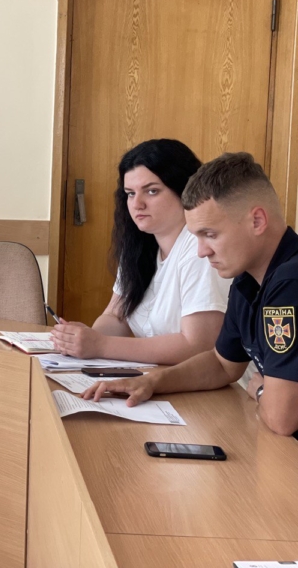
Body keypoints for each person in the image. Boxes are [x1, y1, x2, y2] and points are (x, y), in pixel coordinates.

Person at [83, 152, 298, 436]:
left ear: (257, 221)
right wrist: (152, 382)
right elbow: (222, 364)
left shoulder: (289, 282)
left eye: (211, 235)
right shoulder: (246, 279)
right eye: (196, 236)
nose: (201, 251)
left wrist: (260, 391)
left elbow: (283, 419)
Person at [51, 139, 231, 365]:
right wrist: (82, 340)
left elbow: (197, 345)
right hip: (159, 375)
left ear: (185, 191)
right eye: (130, 193)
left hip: (212, 383)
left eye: (152, 191)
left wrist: (100, 345)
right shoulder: (140, 245)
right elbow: (115, 316)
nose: (137, 204)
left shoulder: (200, 248)